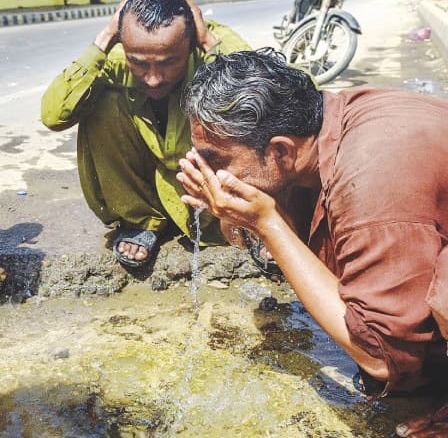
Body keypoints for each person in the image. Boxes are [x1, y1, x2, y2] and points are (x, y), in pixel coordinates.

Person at [176, 48, 448, 435]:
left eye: (216, 161)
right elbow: (266, 249)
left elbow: (382, 358)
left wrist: (268, 224)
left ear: (280, 151)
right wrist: (239, 216)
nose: (207, 173)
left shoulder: (369, 181)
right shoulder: (323, 130)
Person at [41, 0, 250, 268]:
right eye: (138, 63)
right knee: (99, 101)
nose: (152, 79)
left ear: (190, 45)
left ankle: (247, 223)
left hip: (217, 206)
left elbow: (279, 103)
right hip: (156, 192)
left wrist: (208, 43)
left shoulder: (214, 43)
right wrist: (105, 37)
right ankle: (143, 220)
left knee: (250, 106)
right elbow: (54, 115)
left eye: (169, 62)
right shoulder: (116, 56)